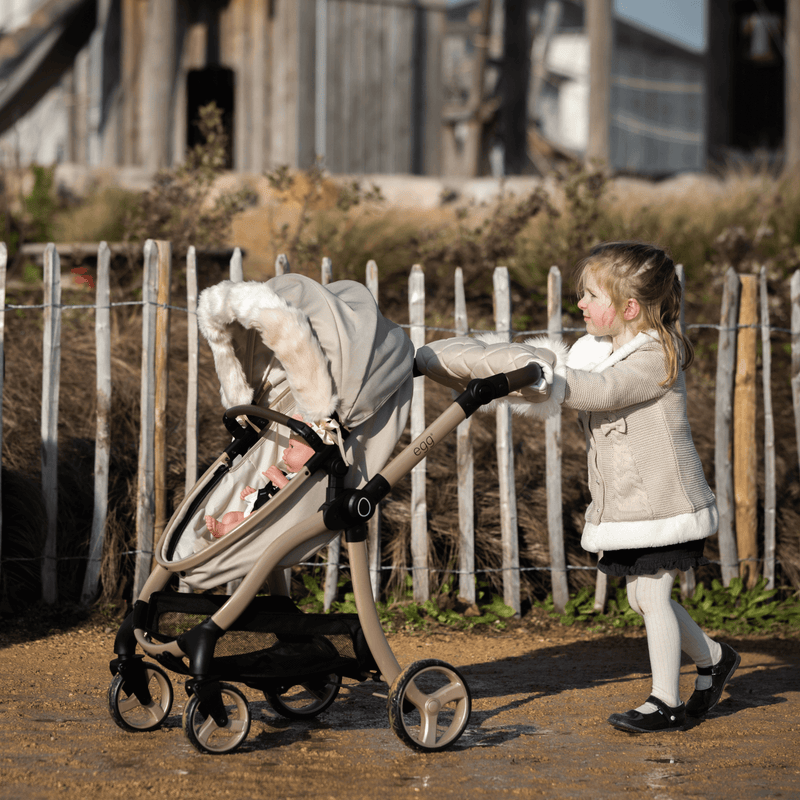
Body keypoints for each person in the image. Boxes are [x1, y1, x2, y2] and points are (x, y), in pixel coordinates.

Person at [539, 241, 740, 733]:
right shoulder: (603, 353)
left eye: (591, 295)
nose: (580, 304)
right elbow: (588, 383)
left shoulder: (653, 356)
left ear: (629, 308)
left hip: (666, 501)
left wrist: (548, 377)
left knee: (650, 597)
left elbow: (604, 392)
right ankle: (714, 658)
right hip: (634, 504)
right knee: (640, 599)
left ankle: (665, 701)